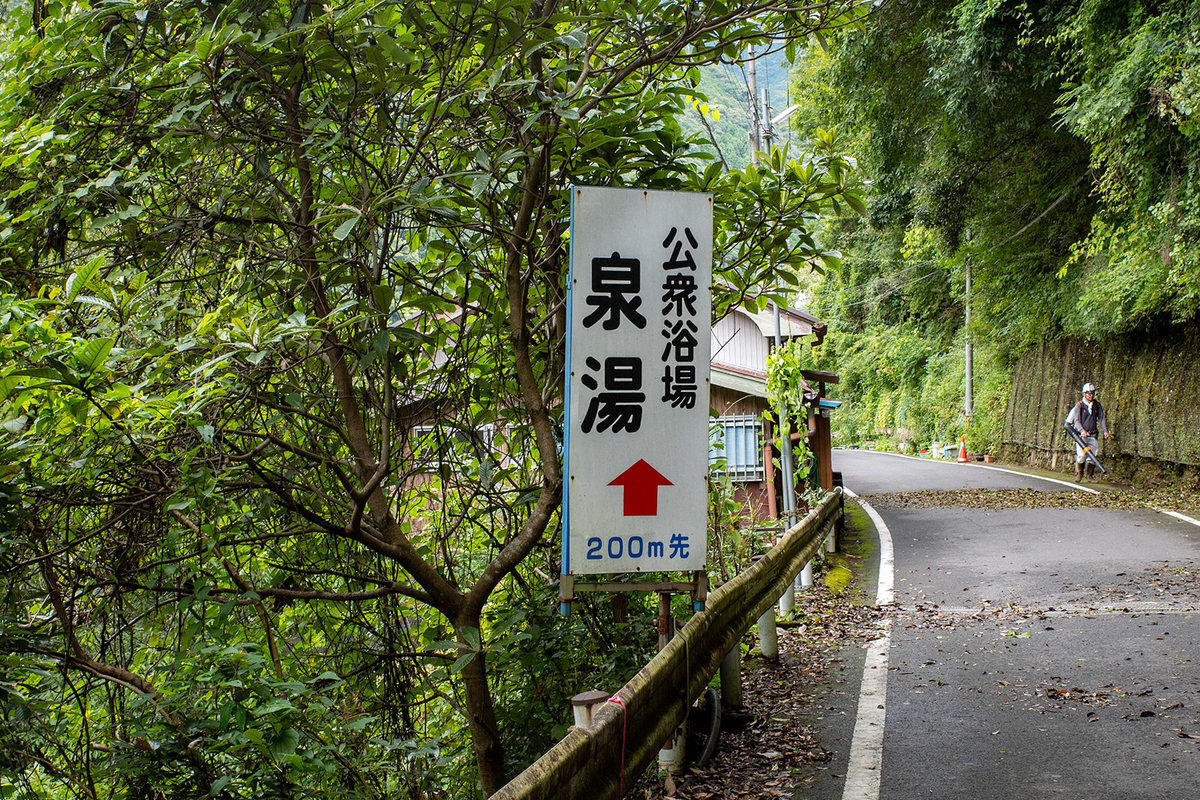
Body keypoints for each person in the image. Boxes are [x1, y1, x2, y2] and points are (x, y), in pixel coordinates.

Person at [1065, 382, 1110, 482]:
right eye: (1089, 393)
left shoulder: (1097, 405)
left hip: (1093, 434)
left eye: (1092, 393)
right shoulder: (1079, 406)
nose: (1091, 395)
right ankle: (1079, 473)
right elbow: (1076, 421)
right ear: (1084, 394)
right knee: (1081, 456)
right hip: (1081, 436)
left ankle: (1089, 476)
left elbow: (1101, 418)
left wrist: (1105, 430)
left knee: (1092, 455)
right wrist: (1082, 431)